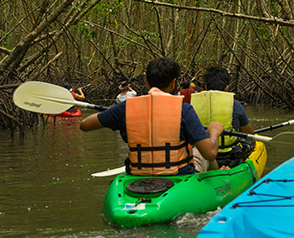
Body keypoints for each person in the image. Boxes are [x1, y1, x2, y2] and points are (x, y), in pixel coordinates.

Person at [79, 57, 224, 176]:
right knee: (201, 147)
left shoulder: (125, 108)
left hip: (137, 175)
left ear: (147, 82)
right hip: (178, 175)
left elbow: (84, 125)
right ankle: (219, 178)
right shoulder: (184, 109)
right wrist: (214, 132)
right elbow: (210, 153)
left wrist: (113, 113)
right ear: (173, 83)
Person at [190, 66, 254, 171]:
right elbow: (249, 135)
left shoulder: (191, 106)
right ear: (226, 88)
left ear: (205, 87)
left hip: (203, 155)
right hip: (230, 158)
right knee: (248, 142)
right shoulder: (235, 105)